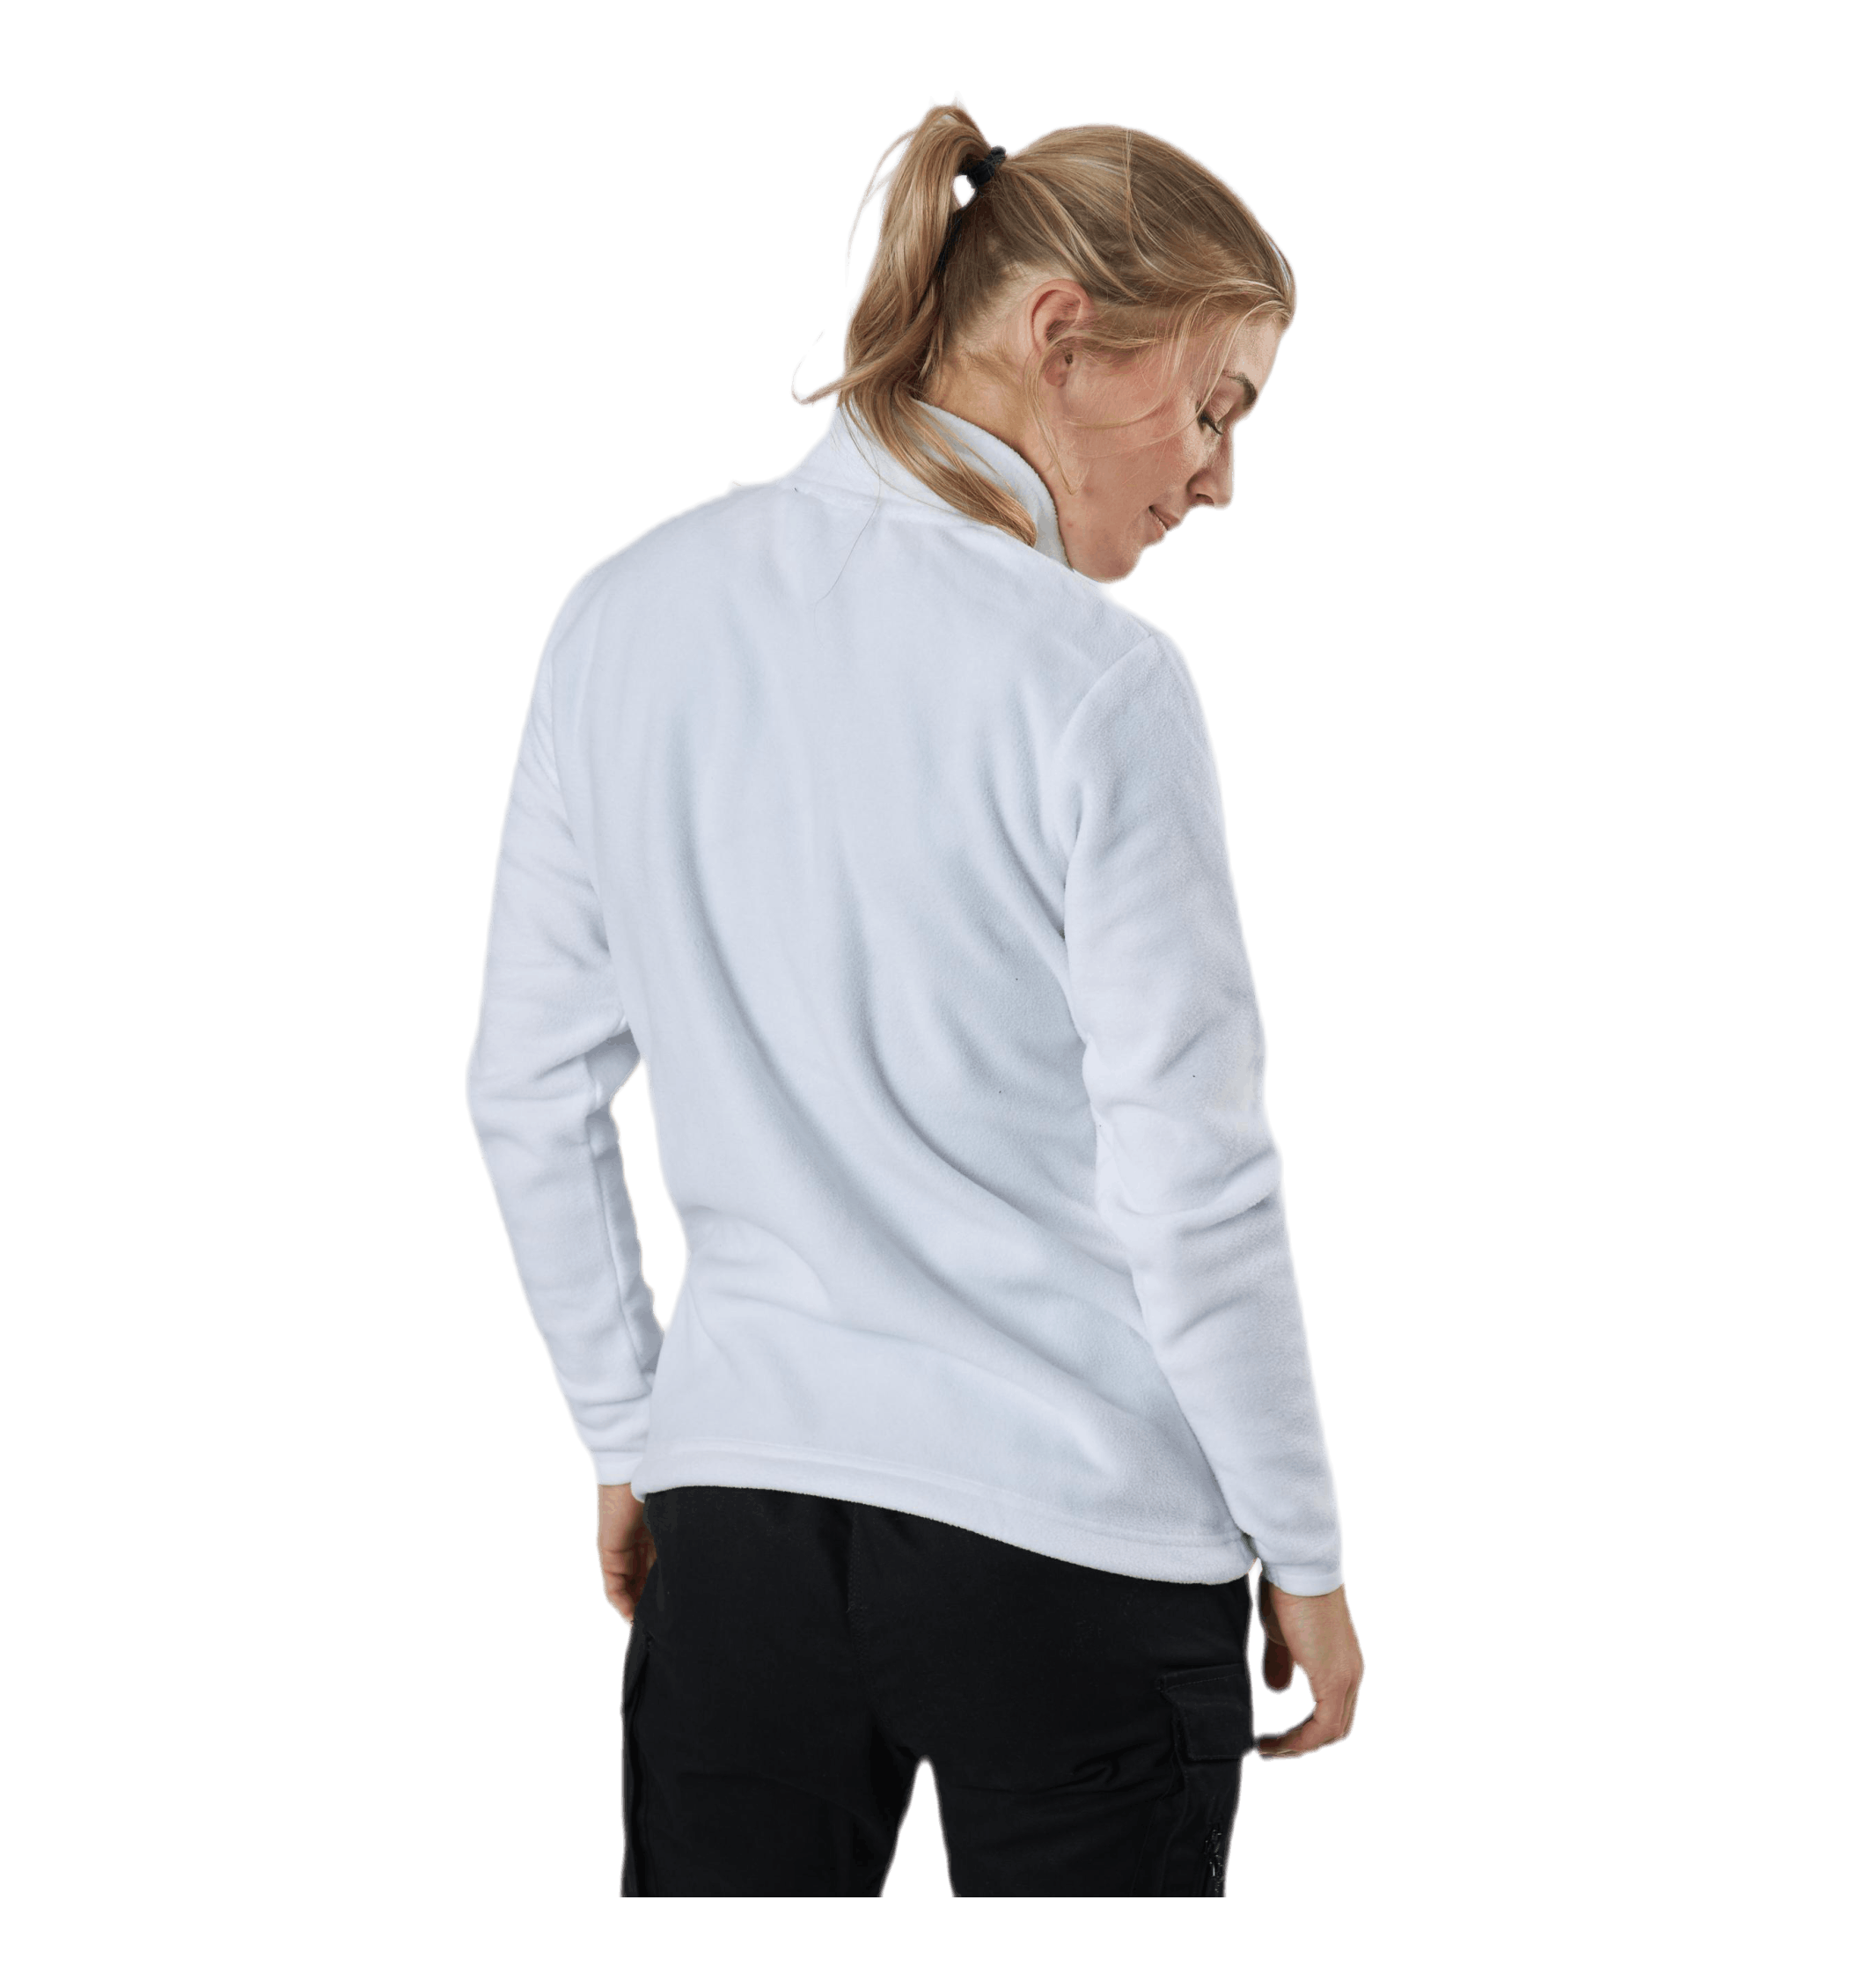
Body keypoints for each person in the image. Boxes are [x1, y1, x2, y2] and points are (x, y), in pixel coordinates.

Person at [466, 96, 1362, 1896]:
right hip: (1079, 1545)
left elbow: (527, 1091)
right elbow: (1192, 1176)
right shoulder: (1098, 682)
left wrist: (636, 1436)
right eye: (1213, 405)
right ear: (1060, 334)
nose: (1216, 481)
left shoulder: (620, 612)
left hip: (740, 1536)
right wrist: (1306, 1547)